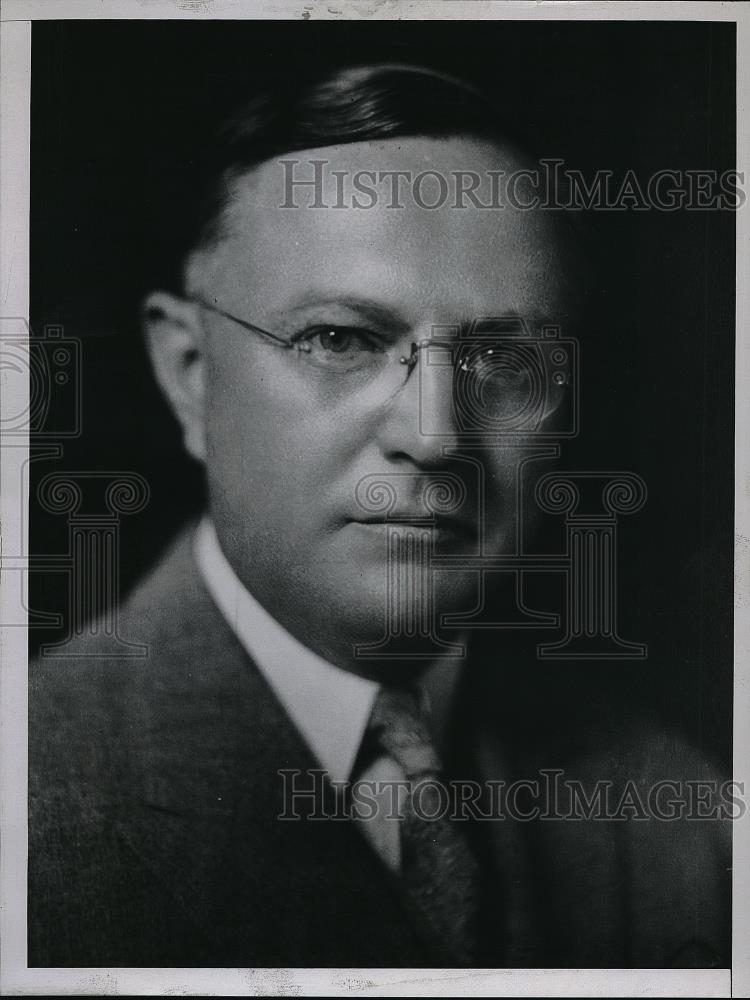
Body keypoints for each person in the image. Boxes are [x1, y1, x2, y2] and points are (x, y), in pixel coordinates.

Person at [28, 63, 730, 968]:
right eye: (341, 341)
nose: (437, 437)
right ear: (189, 373)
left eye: (504, 359)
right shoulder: (30, 800)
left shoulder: (681, 820)